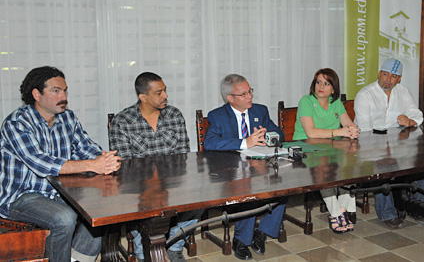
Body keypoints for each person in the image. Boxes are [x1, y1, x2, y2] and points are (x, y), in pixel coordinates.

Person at [0, 66, 122, 262]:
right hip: (20, 196)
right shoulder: (17, 122)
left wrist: (105, 160)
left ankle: (78, 259)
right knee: (63, 218)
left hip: (61, 192)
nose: (63, 96)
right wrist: (92, 165)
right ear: (36, 94)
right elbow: (40, 163)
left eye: (65, 91)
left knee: (105, 207)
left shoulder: (68, 117)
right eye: (56, 91)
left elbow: (86, 147)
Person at [109, 72, 196, 262]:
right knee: (143, 205)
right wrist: (152, 186)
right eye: (159, 93)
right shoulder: (123, 121)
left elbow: (183, 154)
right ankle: (144, 253)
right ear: (143, 97)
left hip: (172, 182)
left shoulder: (174, 115)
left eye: (165, 91)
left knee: (200, 200)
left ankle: (174, 246)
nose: (165, 96)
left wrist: (167, 183)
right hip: (139, 186)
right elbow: (125, 165)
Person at [204, 74, 286, 260]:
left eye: (250, 91)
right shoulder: (218, 115)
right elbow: (209, 142)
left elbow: (280, 133)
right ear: (230, 98)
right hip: (230, 171)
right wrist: (244, 142)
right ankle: (240, 240)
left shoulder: (260, 111)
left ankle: (262, 232)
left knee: (283, 188)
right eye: (243, 94)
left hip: (259, 166)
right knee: (246, 188)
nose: (249, 96)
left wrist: (268, 136)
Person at [354, 58, 424, 228]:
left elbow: (417, 114)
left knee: (420, 163)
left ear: (399, 79)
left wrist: (410, 121)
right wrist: (385, 151)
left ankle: (418, 206)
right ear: (379, 74)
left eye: (393, 76)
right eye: (385, 74)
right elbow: (365, 131)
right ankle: (387, 213)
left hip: (398, 145)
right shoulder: (365, 95)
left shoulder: (403, 92)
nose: (388, 79)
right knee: (382, 166)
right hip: (368, 146)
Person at [293, 68, 360, 234]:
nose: (321, 86)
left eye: (326, 83)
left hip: (331, 147)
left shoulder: (335, 102)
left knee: (351, 165)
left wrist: (353, 130)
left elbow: (348, 124)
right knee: (323, 168)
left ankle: (343, 209)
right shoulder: (306, 102)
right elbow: (311, 133)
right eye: (318, 82)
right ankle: (335, 213)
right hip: (307, 147)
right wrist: (340, 132)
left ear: (333, 89)